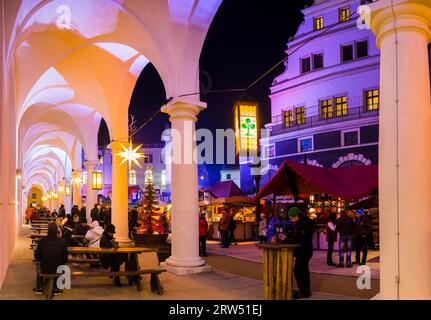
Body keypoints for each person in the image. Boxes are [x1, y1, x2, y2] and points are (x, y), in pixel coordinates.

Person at [33, 222, 68, 296]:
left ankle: (39, 288)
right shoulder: (62, 241)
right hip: (58, 269)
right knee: (62, 264)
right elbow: (65, 257)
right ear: (57, 231)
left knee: (38, 263)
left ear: (48, 230)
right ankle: (57, 288)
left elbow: (37, 256)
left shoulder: (42, 241)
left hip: (44, 268)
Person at [288, 207, 314, 299]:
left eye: (292, 218)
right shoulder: (301, 222)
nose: (291, 220)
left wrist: (287, 240)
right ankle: (304, 290)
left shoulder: (304, 223)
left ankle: (305, 292)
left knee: (300, 271)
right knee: (302, 271)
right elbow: (297, 237)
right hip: (303, 251)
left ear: (297, 216)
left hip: (304, 252)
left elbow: (299, 240)